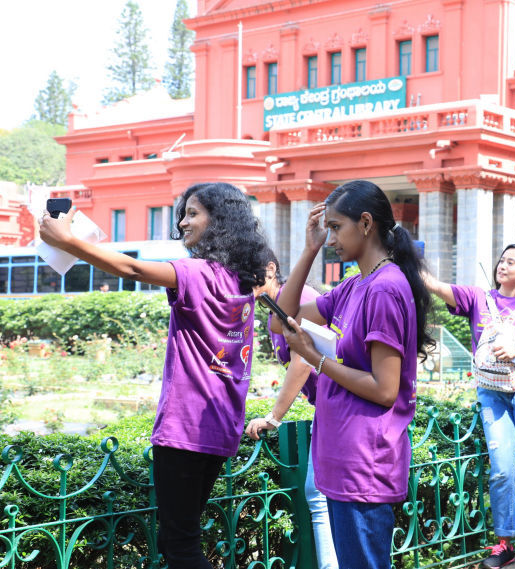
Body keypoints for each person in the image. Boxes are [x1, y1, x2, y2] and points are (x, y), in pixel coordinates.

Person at [38, 182, 269, 569]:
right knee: (182, 538)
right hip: (220, 426)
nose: (182, 222)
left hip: (185, 428)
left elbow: (131, 267)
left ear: (221, 222)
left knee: (181, 547)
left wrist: (69, 242)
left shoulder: (197, 273)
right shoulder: (240, 281)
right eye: (183, 213)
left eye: (193, 213)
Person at [271, 180, 433, 569]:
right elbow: (282, 320)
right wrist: (308, 251)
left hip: (364, 462)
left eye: (335, 227)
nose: (330, 239)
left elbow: (384, 389)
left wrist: (317, 359)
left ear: (365, 223)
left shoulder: (384, 289)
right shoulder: (355, 285)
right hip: (344, 457)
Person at [423, 243, 515, 568]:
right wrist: (400, 253)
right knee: (501, 467)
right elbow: (434, 285)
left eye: (512, 262)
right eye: (501, 259)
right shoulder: (477, 298)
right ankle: (504, 543)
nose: (503, 265)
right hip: (491, 391)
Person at [245, 248, 338, 569]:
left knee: (321, 495)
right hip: (328, 408)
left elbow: (302, 363)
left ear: (271, 269)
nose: (241, 281)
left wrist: (274, 417)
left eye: (247, 272)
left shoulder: (300, 298)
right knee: (325, 496)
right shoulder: (276, 310)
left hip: (339, 406)